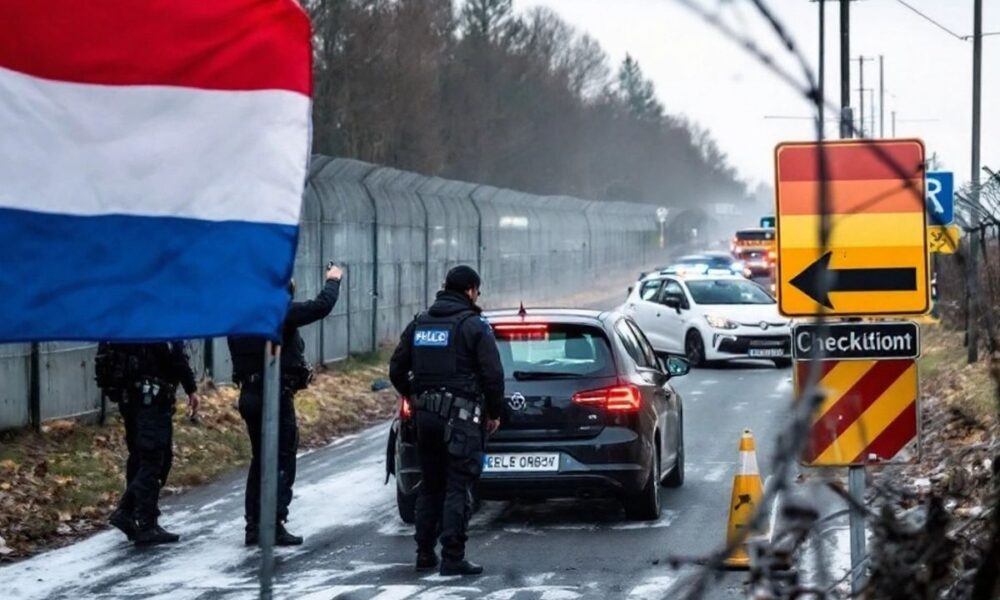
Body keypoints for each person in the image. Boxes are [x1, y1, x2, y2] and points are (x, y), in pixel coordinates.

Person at [389, 265, 504, 576]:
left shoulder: (419, 324)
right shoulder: (473, 325)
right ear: (470, 290)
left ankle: (425, 553)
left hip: (425, 420)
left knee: (430, 486)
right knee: (457, 487)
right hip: (462, 420)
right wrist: (495, 412)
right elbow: (493, 375)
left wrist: (415, 395)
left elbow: (396, 369)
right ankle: (453, 557)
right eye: (477, 291)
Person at [228, 263, 342, 546]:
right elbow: (319, 307)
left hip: (250, 393)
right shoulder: (274, 312)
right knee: (280, 459)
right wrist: (333, 280)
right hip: (273, 395)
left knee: (260, 460)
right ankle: (273, 523)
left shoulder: (242, 315)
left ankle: (253, 525)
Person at [97, 341, 200, 546]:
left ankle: (132, 515)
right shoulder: (157, 317)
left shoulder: (128, 319)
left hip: (130, 397)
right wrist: (191, 388)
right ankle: (143, 521)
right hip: (152, 399)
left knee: (139, 456)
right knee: (155, 459)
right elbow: (174, 357)